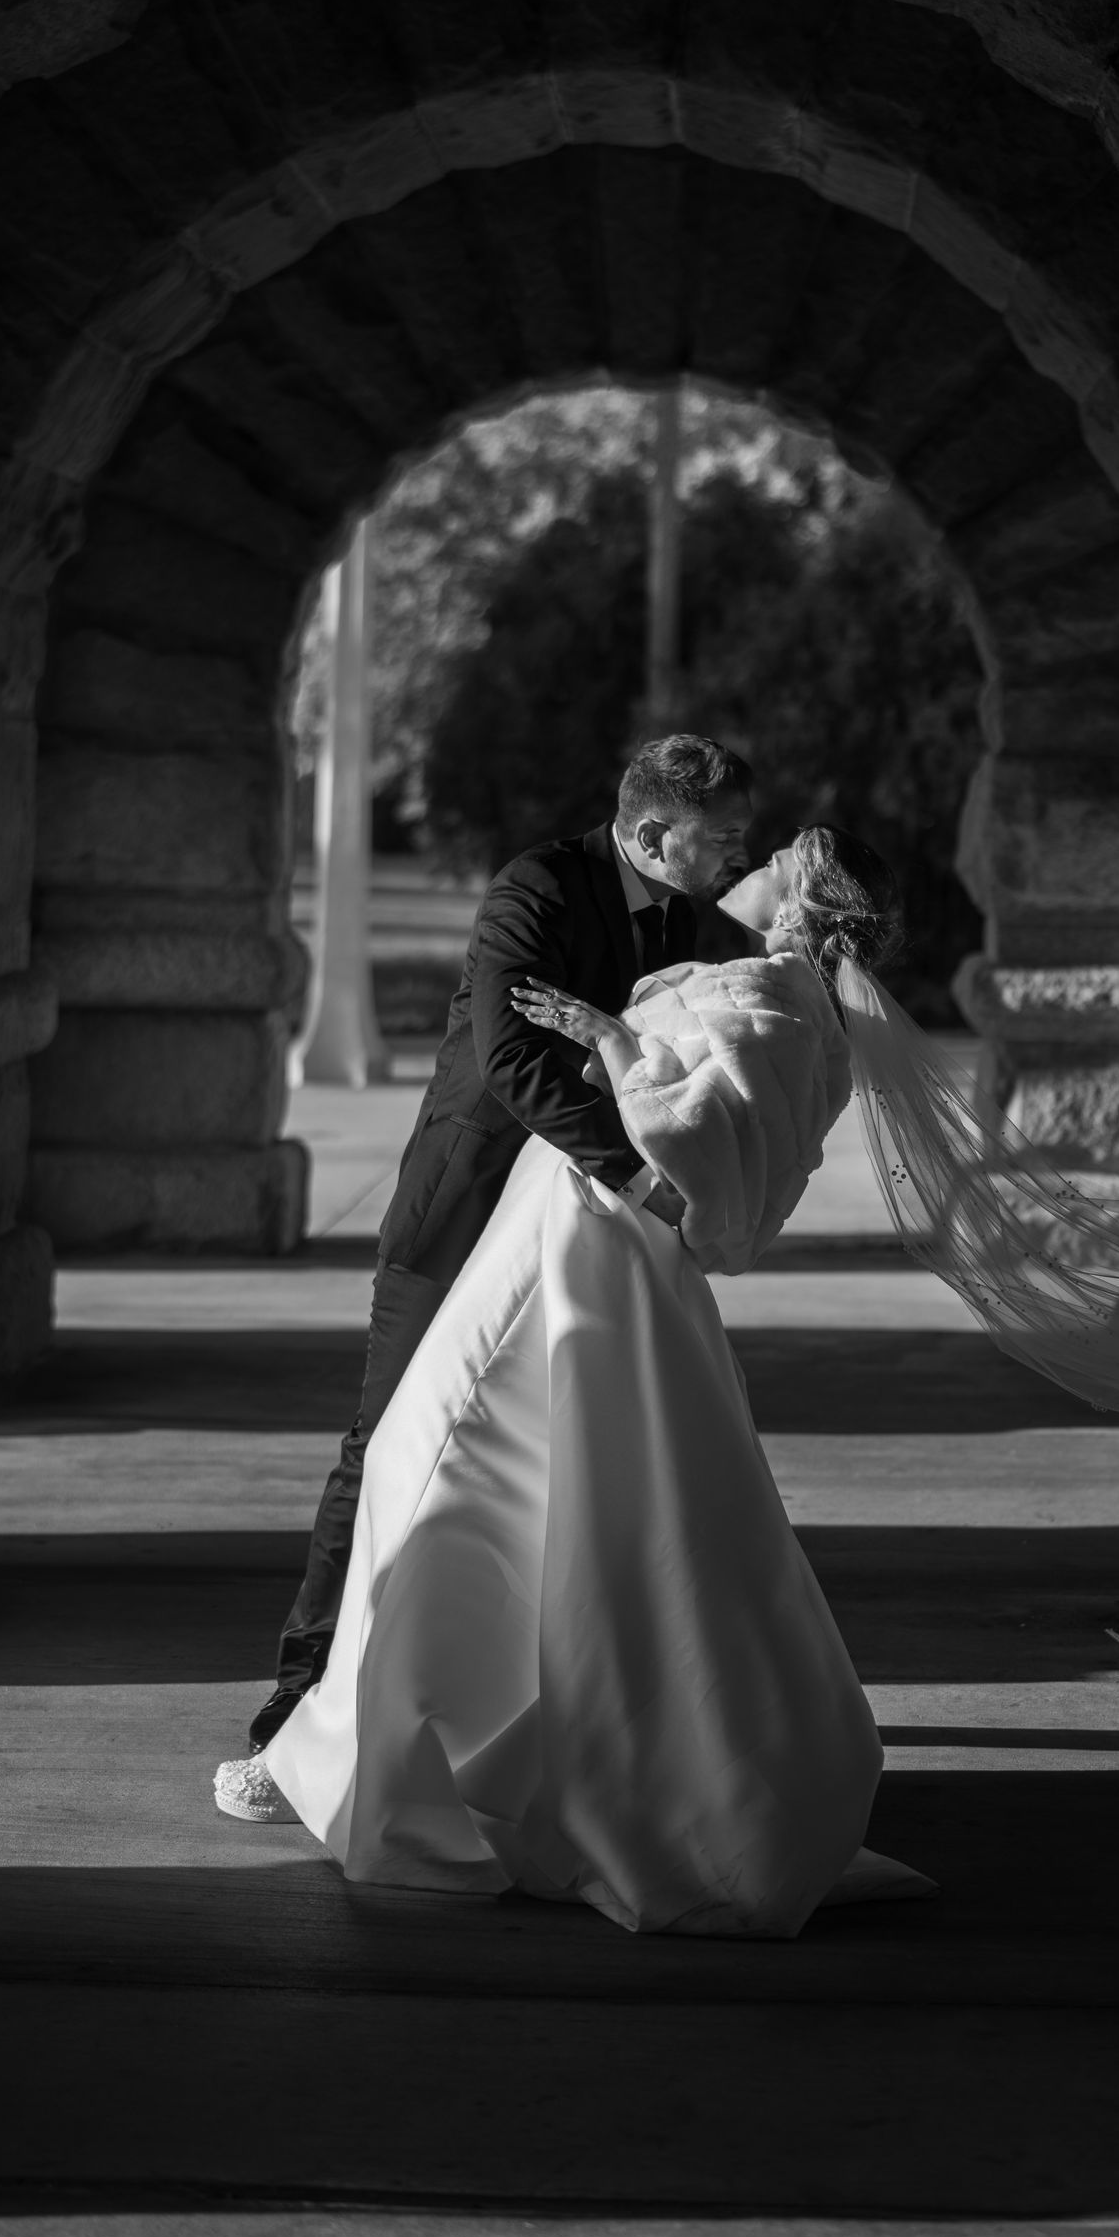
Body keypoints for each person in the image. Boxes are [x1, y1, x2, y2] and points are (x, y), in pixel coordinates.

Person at [217, 821, 933, 1937]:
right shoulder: (786, 996)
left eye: (777, 856)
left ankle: (372, 1762)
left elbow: (715, 1153)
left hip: (586, 1248)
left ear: (802, 902)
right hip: (559, 1236)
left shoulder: (775, 996)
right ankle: (433, 1741)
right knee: (540, 1498)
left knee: (441, 1468)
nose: (747, 861)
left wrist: (610, 1036)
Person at [245, 735, 760, 1756]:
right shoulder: (538, 887)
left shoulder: (704, 922)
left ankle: (537, 1698)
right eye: (723, 838)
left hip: (581, 1242)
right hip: (467, 1203)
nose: (739, 856)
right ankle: (303, 1691)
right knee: (386, 1437)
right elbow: (514, 1057)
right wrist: (646, 1176)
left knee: (564, 1459)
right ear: (651, 833)